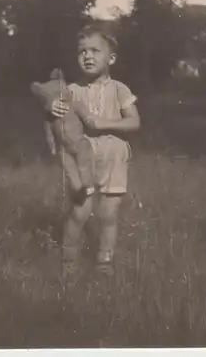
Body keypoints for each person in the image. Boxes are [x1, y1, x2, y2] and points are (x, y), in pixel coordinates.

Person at [50, 23, 140, 275]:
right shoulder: (71, 90)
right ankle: (68, 262)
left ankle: (104, 262)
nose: (87, 56)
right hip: (83, 160)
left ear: (111, 58)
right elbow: (57, 115)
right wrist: (54, 106)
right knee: (80, 212)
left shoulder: (119, 89)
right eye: (82, 51)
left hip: (114, 157)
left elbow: (134, 122)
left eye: (95, 51)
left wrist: (105, 123)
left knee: (109, 214)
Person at [31, 68, 96, 205]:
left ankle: (88, 186)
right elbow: (48, 132)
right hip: (63, 149)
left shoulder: (73, 103)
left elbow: (84, 113)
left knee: (84, 165)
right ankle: (79, 191)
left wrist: (91, 121)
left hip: (79, 141)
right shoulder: (49, 116)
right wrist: (53, 147)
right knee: (70, 170)